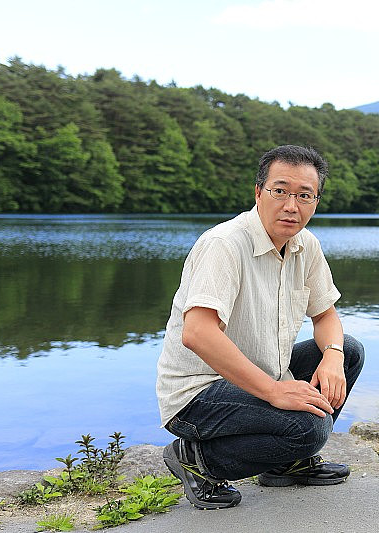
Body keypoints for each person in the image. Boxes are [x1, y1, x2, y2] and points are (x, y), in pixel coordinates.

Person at [156, 145, 364, 509]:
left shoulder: (305, 245)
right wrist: (273, 391)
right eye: (280, 191)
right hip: (199, 393)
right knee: (310, 428)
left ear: (316, 201)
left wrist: (332, 356)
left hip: (259, 377)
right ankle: (197, 459)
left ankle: (285, 463)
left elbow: (325, 316)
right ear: (258, 192)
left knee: (348, 350)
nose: (291, 206)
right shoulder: (224, 244)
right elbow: (197, 333)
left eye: (304, 195)